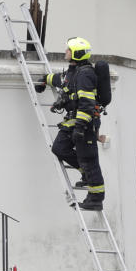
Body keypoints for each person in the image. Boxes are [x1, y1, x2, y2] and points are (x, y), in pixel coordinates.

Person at [44, 36, 105, 210]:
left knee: (89, 159)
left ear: (76, 53)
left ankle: (96, 199)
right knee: (59, 148)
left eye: (68, 50)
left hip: (84, 123)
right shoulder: (74, 70)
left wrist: (79, 127)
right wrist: (43, 80)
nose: (66, 52)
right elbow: (61, 80)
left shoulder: (85, 74)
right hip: (72, 120)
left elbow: (87, 103)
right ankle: (84, 173)